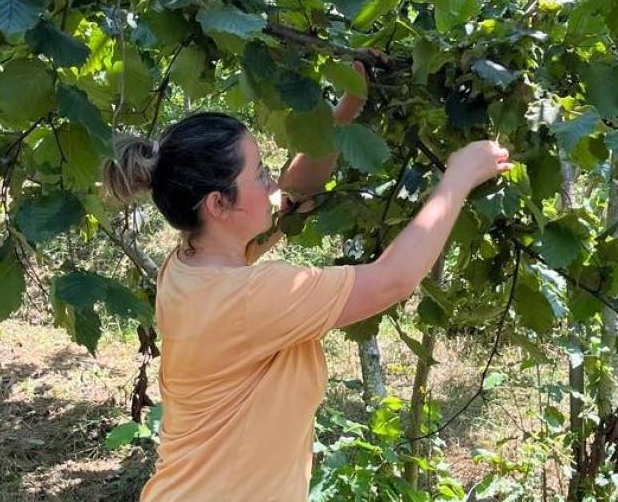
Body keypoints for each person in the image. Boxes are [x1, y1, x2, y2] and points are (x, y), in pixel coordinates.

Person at [101, 60, 512, 501]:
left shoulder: (188, 266)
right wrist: (459, 177)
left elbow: (293, 195)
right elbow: (393, 280)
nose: (270, 182)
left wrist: (345, 111)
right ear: (219, 205)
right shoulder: (255, 296)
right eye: (260, 173)